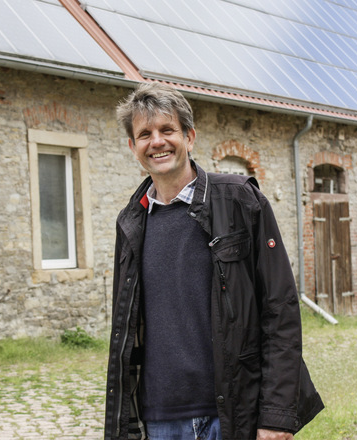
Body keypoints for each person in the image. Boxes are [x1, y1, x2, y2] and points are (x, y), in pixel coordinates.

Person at [104, 82, 324, 440]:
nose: (156, 141)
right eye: (144, 134)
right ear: (133, 147)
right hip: (159, 418)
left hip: (233, 414)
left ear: (190, 137)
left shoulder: (239, 201)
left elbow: (279, 311)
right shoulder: (131, 222)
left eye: (167, 130)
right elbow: (126, 329)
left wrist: (276, 415)